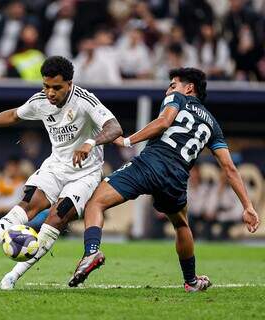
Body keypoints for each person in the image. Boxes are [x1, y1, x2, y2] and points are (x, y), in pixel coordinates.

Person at [68, 67, 260, 292]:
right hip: (177, 178)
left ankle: (91, 252)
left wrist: (129, 141)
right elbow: (229, 168)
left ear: (189, 88)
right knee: (181, 224)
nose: (168, 89)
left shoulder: (177, 98)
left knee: (96, 202)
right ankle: (191, 282)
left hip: (151, 163)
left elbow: (163, 122)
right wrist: (247, 206)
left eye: (172, 84)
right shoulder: (213, 125)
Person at [0, 55, 122, 289]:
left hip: (85, 172)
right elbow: (13, 115)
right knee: (29, 203)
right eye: (46, 86)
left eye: (57, 88)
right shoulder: (40, 101)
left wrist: (91, 143)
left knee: (56, 218)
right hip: (55, 166)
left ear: (69, 84)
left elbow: (114, 127)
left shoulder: (85, 101)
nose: (50, 93)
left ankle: (13, 275)